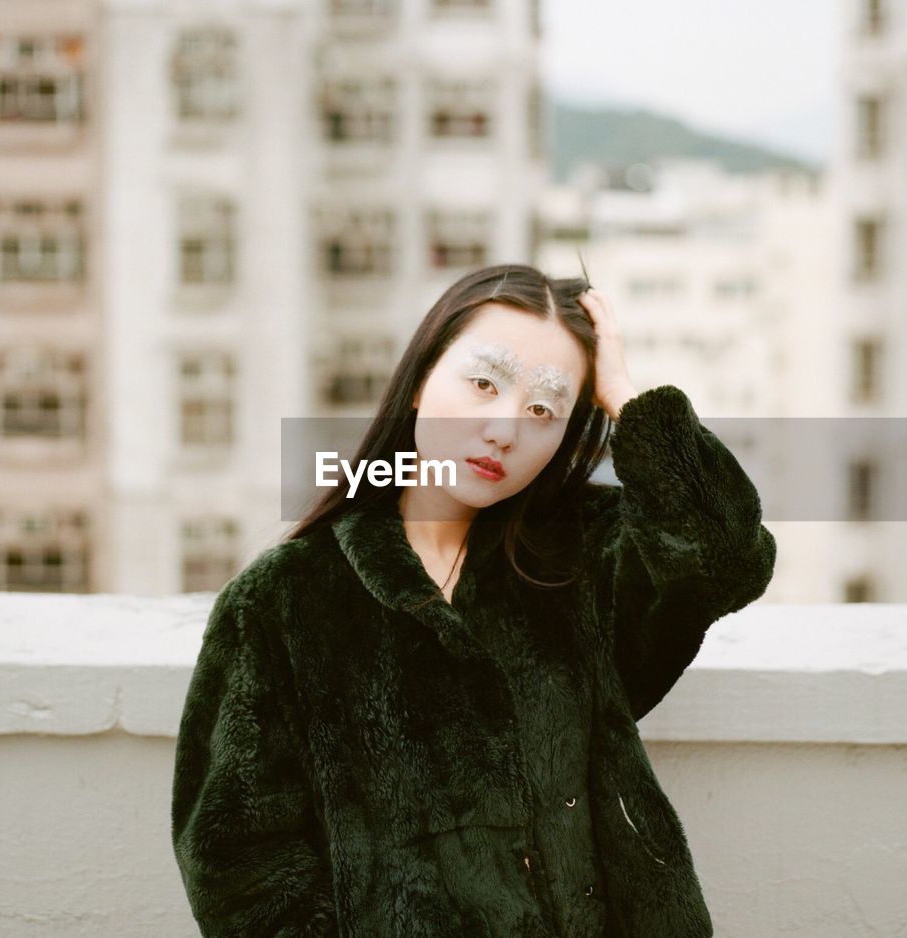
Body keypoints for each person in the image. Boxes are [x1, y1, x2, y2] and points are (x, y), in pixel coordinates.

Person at [171, 263, 777, 936]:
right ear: (422, 376)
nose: (504, 430)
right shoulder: (283, 600)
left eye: (544, 409)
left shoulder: (584, 560)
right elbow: (239, 868)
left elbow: (725, 558)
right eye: (484, 383)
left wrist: (629, 400)